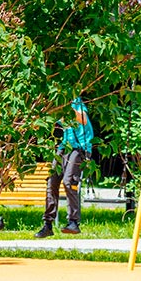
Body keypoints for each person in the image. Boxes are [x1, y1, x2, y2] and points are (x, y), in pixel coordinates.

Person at [37, 98, 93, 238]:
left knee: (69, 181)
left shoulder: (76, 102)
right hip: (64, 146)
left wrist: (67, 108)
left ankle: (73, 222)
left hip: (79, 148)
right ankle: (48, 224)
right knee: (51, 182)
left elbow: (83, 120)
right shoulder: (57, 103)